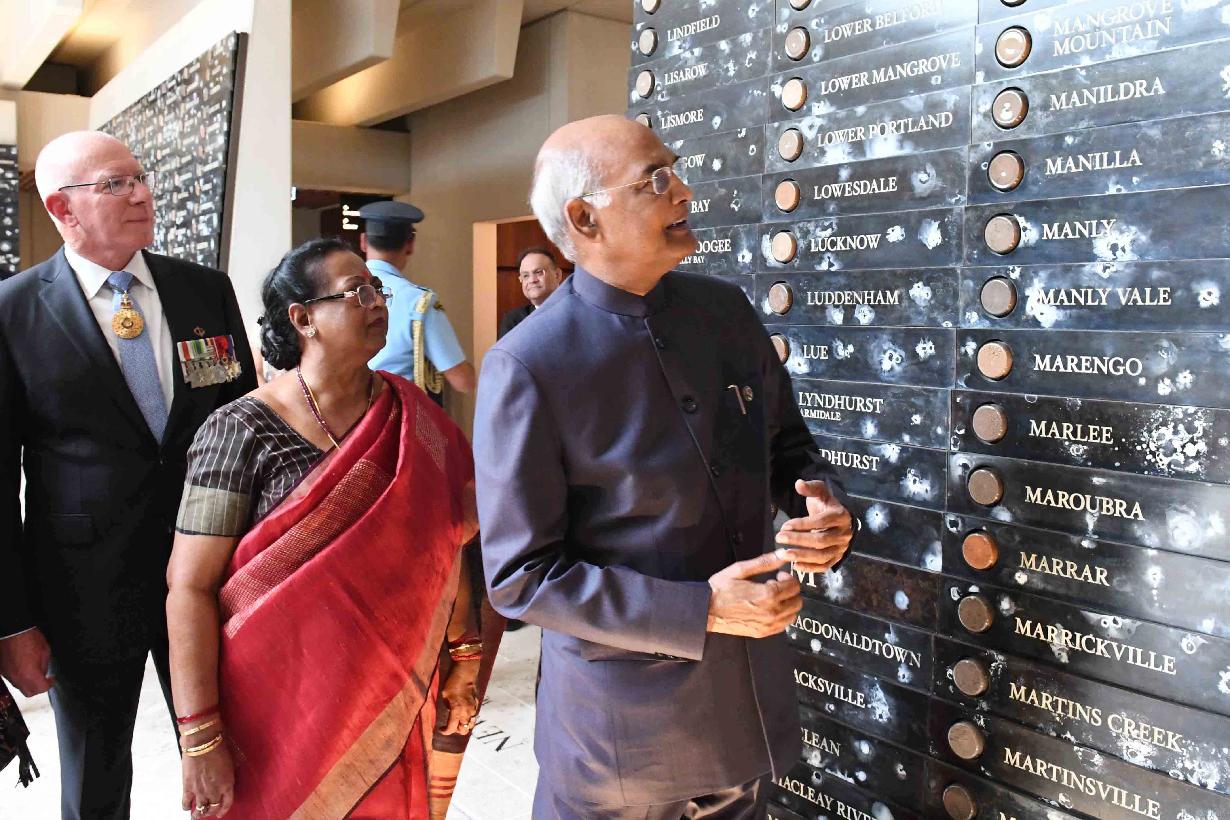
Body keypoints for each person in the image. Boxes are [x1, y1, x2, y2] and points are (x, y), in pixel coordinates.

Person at [473, 115, 856, 820]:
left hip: (742, 703)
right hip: (617, 733)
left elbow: (788, 445)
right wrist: (700, 609)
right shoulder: (529, 364)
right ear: (584, 218)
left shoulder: (724, 310)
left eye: (674, 171)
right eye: (654, 180)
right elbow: (521, 576)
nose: (682, 191)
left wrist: (819, 507)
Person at [166, 238, 483, 819]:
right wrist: (200, 736)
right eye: (356, 292)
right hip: (279, 704)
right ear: (303, 318)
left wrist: (464, 657)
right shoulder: (239, 429)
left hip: (394, 693)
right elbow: (189, 587)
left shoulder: (413, 418)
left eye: (377, 290)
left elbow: (452, 543)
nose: (376, 303)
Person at [0, 131, 256, 820]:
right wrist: (10, 623)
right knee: (94, 773)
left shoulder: (204, 291)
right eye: (115, 184)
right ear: (62, 207)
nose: (142, 194)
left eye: (140, 178)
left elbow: (245, 432)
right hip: (80, 588)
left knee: (235, 756)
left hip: (211, 570)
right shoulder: (13, 311)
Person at [359, 201, 476, 403]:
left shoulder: (337, 295)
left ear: (363, 241)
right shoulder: (419, 302)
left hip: (346, 416)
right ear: (411, 244)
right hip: (399, 414)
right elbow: (463, 381)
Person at [498, 246, 564, 338]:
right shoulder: (513, 321)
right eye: (526, 276)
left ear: (557, 275)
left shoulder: (577, 311)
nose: (532, 280)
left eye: (538, 272)